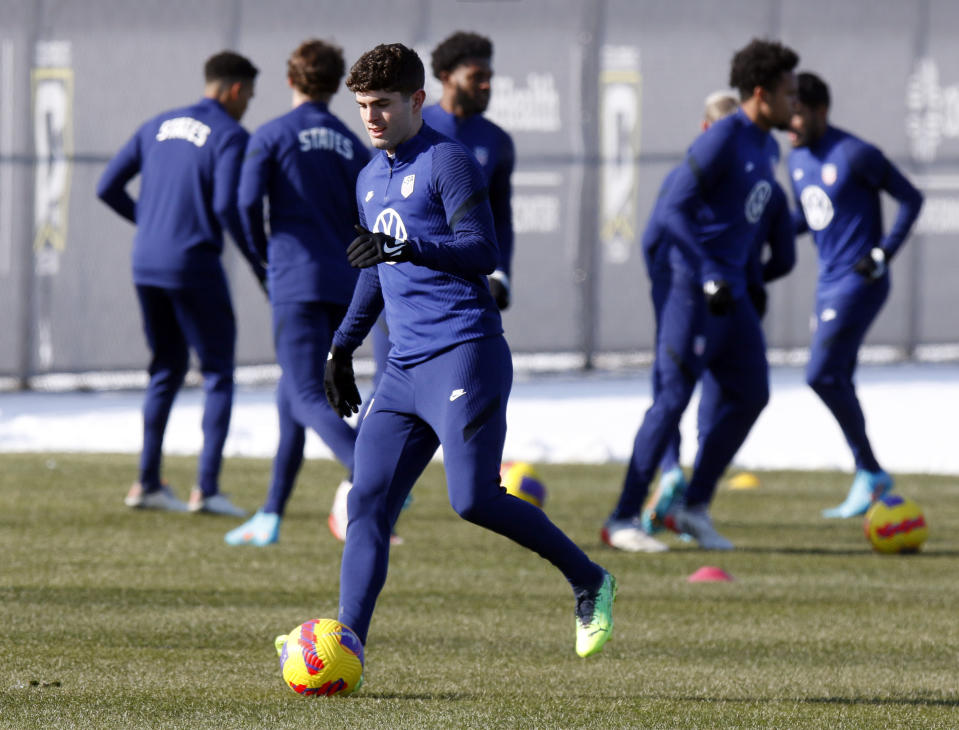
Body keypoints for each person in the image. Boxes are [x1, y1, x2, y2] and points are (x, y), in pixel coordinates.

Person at [321, 43, 615, 664]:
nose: (370, 118)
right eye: (362, 107)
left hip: (465, 352)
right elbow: (374, 271)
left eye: (382, 105)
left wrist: (407, 249)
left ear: (417, 101)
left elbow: (481, 251)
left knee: (473, 499)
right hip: (402, 367)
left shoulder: (447, 161)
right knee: (364, 503)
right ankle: (347, 646)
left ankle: (590, 579)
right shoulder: (369, 177)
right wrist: (342, 347)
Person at [602, 38, 799, 551]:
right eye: (788, 92)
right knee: (671, 401)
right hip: (692, 288)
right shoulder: (722, 139)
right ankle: (621, 520)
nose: (794, 101)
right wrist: (708, 271)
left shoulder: (767, 146)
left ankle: (693, 507)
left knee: (752, 393)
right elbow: (672, 212)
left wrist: (743, 281)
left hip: (729, 293)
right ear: (761, 93)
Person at [97, 51, 263, 516]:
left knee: (165, 369)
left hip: (146, 264)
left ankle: (147, 482)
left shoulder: (156, 125)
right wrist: (257, 259)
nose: (247, 105)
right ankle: (206, 489)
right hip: (193, 263)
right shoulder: (230, 134)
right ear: (232, 90)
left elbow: (105, 186)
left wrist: (149, 224)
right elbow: (230, 207)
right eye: (248, 95)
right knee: (218, 373)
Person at [223, 40, 370, 546]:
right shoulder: (351, 142)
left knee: (308, 392)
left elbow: (241, 207)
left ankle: (370, 474)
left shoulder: (270, 135)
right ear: (336, 85)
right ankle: (270, 514)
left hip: (295, 278)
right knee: (293, 394)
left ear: (291, 80)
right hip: (344, 283)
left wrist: (263, 259)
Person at [639, 91, 796, 539]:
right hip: (738, 303)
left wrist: (669, 292)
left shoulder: (687, 180)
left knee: (670, 389)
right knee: (727, 398)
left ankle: (670, 473)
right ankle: (696, 501)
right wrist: (753, 282)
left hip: (692, 298)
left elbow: (654, 240)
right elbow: (784, 256)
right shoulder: (766, 180)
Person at [788, 72, 923, 518]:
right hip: (827, 283)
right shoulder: (796, 159)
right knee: (837, 378)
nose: (792, 124)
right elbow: (812, 216)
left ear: (821, 111)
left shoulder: (856, 154)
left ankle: (869, 470)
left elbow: (912, 199)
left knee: (820, 375)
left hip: (859, 281)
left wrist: (883, 252)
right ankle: (869, 473)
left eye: (799, 114)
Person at [423, 30, 515, 310]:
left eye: (489, 77)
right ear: (447, 76)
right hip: (410, 280)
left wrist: (500, 272)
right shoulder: (412, 128)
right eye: (477, 77)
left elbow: (500, 215)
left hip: (467, 287)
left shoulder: (497, 140)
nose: (487, 85)